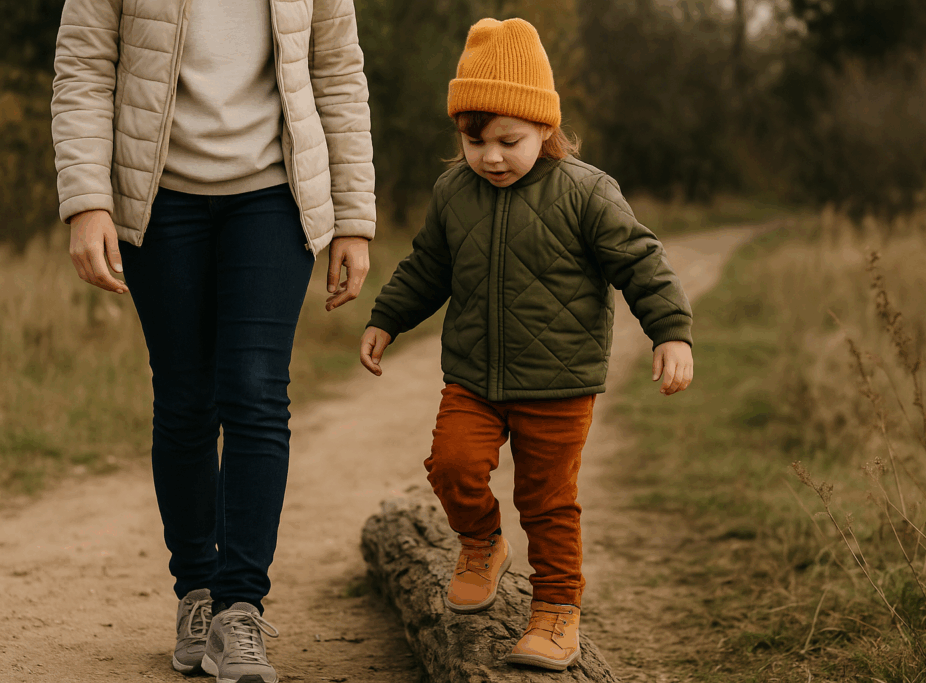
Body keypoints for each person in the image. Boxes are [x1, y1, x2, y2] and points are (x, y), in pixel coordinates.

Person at [50, 0, 375, 680]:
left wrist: (353, 216)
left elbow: (338, 70)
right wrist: (87, 200)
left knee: (256, 390)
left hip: (274, 193)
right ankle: (196, 591)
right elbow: (83, 67)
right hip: (158, 195)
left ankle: (239, 609)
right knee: (185, 397)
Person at [360, 17, 693, 672]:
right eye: (473, 139)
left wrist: (671, 332)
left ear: (546, 127)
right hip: (474, 378)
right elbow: (428, 265)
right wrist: (387, 318)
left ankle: (556, 611)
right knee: (452, 464)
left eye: (508, 140)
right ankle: (481, 541)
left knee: (546, 501)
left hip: (560, 381)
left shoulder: (587, 193)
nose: (490, 156)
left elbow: (642, 264)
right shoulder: (454, 191)